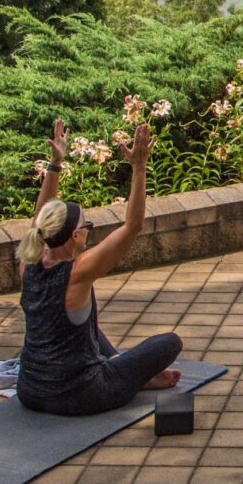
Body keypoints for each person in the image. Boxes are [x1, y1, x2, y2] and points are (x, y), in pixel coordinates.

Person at [15, 118, 183, 416]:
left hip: (29, 389)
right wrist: (139, 167)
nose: (88, 230)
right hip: (81, 395)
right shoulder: (77, 272)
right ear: (76, 237)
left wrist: (55, 163)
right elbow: (133, 226)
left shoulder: (29, 262)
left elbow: (41, 216)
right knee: (169, 343)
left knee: (88, 327)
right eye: (86, 225)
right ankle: (133, 379)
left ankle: (120, 365)